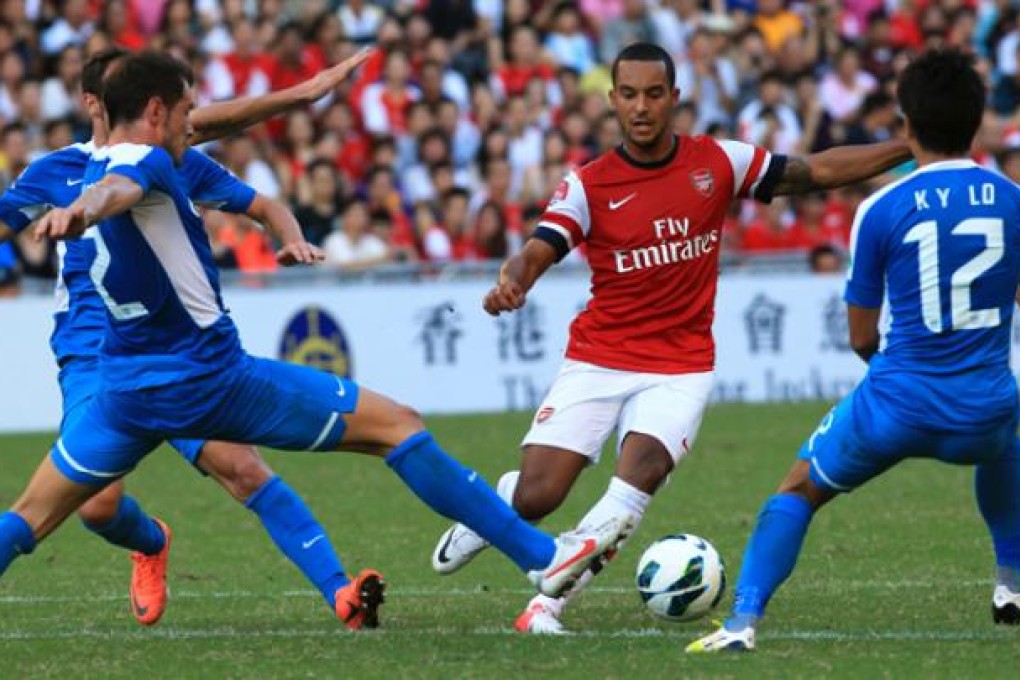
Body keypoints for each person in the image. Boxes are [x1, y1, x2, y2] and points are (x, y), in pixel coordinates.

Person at [1, 51, 630, 629]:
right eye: (188, 111)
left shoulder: (90, 164)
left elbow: (125, 177)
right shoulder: (143, 164)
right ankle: (545, 557)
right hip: (212, 382)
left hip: (125, 394)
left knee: (27, 518)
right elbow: (123, 187)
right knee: (397, 426)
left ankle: (342, 588)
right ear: (158, 111)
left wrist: (300, 95)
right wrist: (86, 210)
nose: (196, 124)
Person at [430, 42, 913, 635]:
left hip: (681, 364)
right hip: (599, 357)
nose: (641, 107)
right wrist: (514, 283)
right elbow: (537, 250)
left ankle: (545, 606)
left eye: (653, 94)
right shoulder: (589, 184)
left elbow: (815, 170)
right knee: (537, 497)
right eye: (628, 95)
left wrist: (908, 148)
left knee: (638, 480)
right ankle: (499, 505)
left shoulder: (718, 162)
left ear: (674, 98)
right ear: (611, 100)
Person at [0, 47, 383, 628]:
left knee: (243, 468)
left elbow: (225, 125)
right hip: (93, 356)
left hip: (174, 351)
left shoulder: (164, 159)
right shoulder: (54, 171)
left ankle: (340, 591)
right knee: (98, 507)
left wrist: (304, 94)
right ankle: (150, 541)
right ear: (93, 104)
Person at [687, 49, 1020, 653]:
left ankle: (741, 624)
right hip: (986, 407)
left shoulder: (880, 210)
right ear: (976, 123)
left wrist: (897, 383)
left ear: (907, 124)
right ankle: (1011, 582)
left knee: (797, 491)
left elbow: (861, 337)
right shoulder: (1013, 200)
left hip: (896, 405)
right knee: (1006, 443)